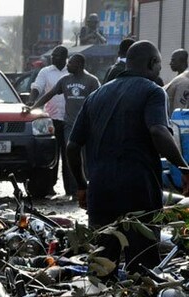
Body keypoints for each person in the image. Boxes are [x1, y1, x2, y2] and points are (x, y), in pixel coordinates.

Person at [67, 41, 189, 272]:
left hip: (100, 191)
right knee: (141, 267)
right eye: (159, 65)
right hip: (138, 191)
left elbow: (72, 146)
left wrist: (82, 186)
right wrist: (184, 168)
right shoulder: (152, 91)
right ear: (152, 63)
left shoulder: (96, 95)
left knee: (101, 267)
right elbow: (158, 131)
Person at [29, 54, 100, 197]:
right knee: (71, 157)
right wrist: (32, 107)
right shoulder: (65, 80)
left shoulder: (91, 81)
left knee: (87, 158)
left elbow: (99, 101)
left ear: (79, 65)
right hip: (69, 125)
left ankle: (90, 188)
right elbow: (49, 95)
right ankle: (75, 190)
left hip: (87, 126)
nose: (67, 65)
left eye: (71, 63)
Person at [28, 46, 68, 196]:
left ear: (64, 57)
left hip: (69, 119)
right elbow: (37, 87)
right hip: (51, 119)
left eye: (56, 55)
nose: (53, 58)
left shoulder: (71, 70)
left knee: (69, 155)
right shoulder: (45, 72)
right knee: (51, 156)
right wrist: (32, 100)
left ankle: (71, 188)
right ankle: (50, 186)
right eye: (52, 55)